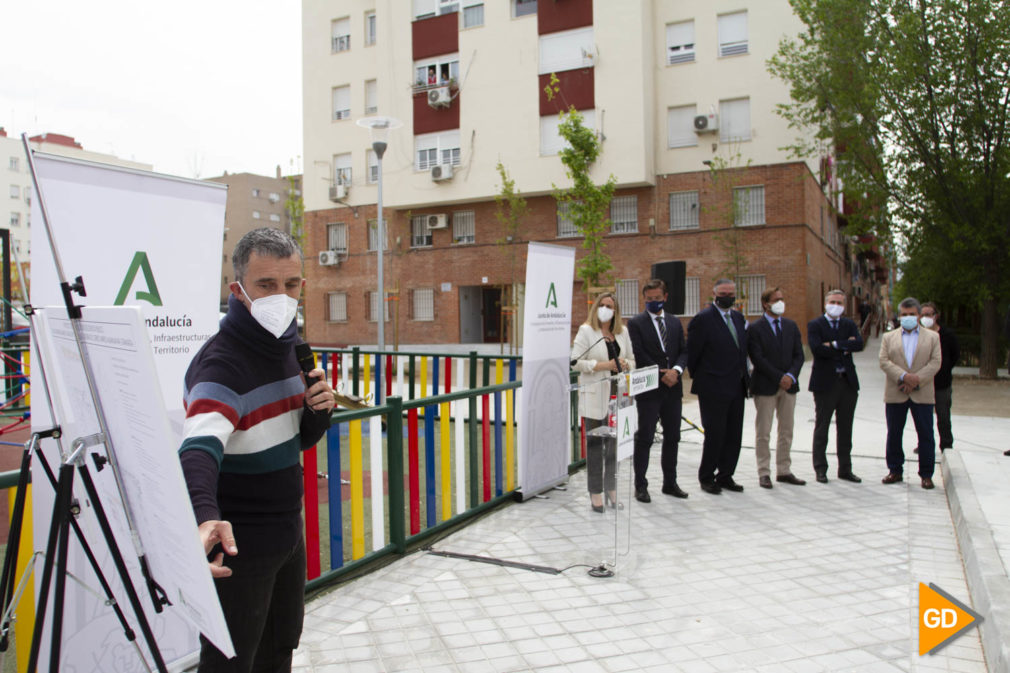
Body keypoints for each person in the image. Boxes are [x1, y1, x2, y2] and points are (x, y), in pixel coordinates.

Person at [178, 228, 336, 672]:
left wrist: (316, 414)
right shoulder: (222, 364)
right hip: (239, 542)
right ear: (238, 290)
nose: (280, 297)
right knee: (230, 663)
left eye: (290, 285)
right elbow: (198, 447)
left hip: (287, 531)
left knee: (279, 648)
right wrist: (204, 515)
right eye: (266, 285)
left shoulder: (289, 347)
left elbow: (294, 440)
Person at [626, 279, 688, 502]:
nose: (653, 302)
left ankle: (670, 483)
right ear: (644, 299)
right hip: (650, 388)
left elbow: (683, 350)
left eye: (657, 298)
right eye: (649, 299)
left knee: (673, 437)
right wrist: (663, 373)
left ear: (665, 297)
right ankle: (640, 485)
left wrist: (677, 371)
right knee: (645, 437)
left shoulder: (673, 322)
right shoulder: (636, 323)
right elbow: (639, 353)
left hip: (674, 387)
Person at [571, 292, 633, 512]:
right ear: (596, 307)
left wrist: (625, 363)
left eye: (611, 306)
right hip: (595, 396)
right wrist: (604, 365)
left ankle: (611, 488)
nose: (606, 309)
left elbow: (633, 361)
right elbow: (575, 362)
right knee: (596, 447)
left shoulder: (622, 332)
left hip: (619, 396)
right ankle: (595, 492)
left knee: (614, 446)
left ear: (616, 311)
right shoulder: (587, 331)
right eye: (603, 305)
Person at [687, 279, 749, 494]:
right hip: (713, 386)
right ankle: (707, 477)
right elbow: (693, 353)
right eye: (723, 293)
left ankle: (726, 475)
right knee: (715, 434)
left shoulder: (739, 318)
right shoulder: (703, 319)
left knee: (734, 434)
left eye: (731, 293)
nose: (727, 297)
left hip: (737, 386)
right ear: (714, 294)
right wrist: (704, 378)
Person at [880, 297, 942, 488]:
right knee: (894, 433)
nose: (908, 317)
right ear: (899, 316)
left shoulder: (932, 337)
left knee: (925, 434)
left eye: (912, 315)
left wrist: (915, 380)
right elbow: (884, 361)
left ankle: (926, 474)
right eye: (904, 315)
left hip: (922, 393)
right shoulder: (888, 337)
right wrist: (904, 376)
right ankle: (895, 470)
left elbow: (935, 362)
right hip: (896, 391)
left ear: (918, 316)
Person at [747, 287, 805, 489]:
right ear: (765, 303)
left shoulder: (791, 325)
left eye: (782, 298)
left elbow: (799, 355)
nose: (781, 302)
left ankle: (784, 469)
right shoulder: (755, 328)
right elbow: (757, 358)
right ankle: (764, 472)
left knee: (786, 430)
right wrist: (778, 377)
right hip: (765, 386)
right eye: (776, 299)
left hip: (789, 386)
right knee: (764, 431)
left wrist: (790, 375)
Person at [808, 289, 864, 484]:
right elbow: (817, 349)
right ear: (825, 303)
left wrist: (832, 344)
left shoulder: (848, 324)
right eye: (833, 301)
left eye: (840, 303)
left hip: (847, 382)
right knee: (822, 426)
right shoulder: (815, 324)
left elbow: (859, 344)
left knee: (846, 427)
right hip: (825, 383)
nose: (836, 305)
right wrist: (843, 347)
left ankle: (845, 469)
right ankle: (820, 468)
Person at [920, 302, 959, 452]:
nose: (925, 318)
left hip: (942, 383)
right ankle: (924, 444)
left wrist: (945, 369)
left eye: (928, 314)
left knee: (943, 416)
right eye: (922, 315)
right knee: (923, 418)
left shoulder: (947, 335)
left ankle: (946, 445)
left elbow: (955, 355)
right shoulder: (919, 335)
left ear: (936, 316)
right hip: (923, 383)